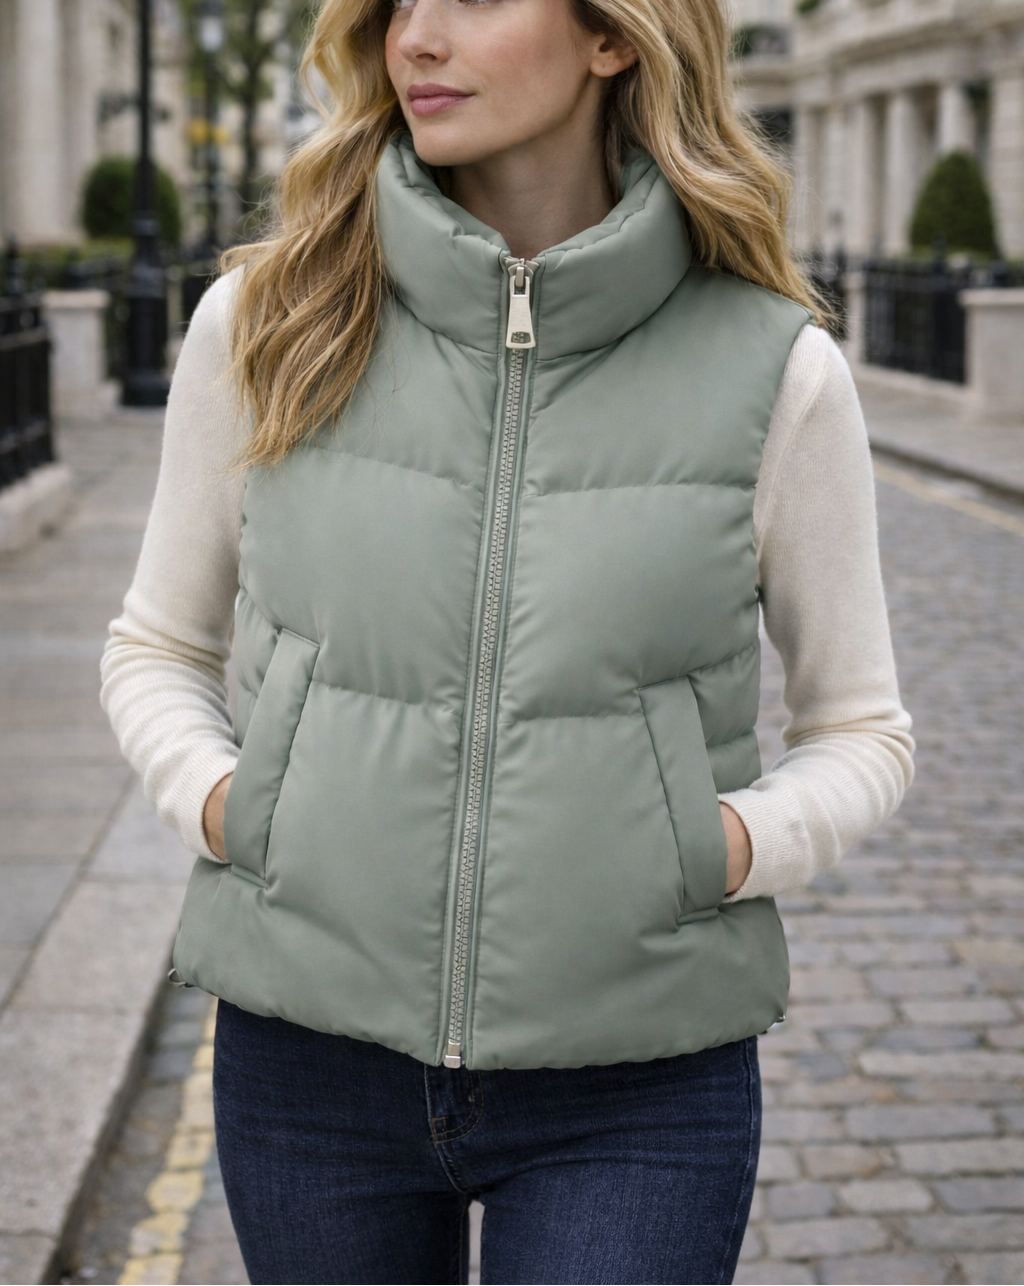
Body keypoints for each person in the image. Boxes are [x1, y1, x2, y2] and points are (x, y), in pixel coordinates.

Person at [100, 0, 915, 1279]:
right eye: (398, 4)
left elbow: (861, 727)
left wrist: (714, 845)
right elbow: (156, 643)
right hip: (309, 1062)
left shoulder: (776, 370)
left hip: (640, 1084)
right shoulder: (268, 321)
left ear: (611, 36)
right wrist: (235, 809)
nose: (415, 37)